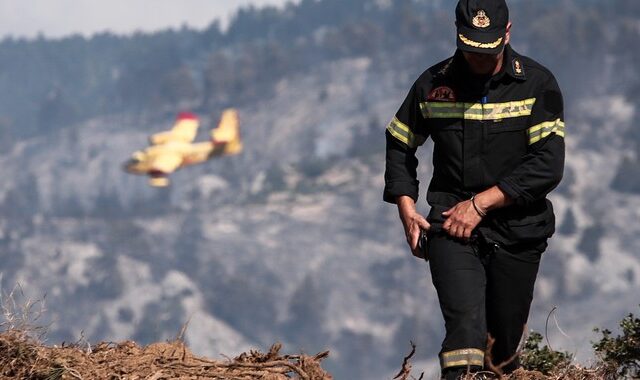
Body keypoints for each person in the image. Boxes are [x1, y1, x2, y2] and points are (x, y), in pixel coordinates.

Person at [383, 0, 565, 378]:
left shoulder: (536, 83)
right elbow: (400, 142)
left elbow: (547, 165)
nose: (480, 59)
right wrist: (405, 206)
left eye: (488, 49)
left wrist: (480, 205)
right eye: (471, 48)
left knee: (499, 351)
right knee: (464, 331)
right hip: (451, 225)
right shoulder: (433, 85)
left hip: (518, 231)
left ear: (508, 33)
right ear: (457, 34)